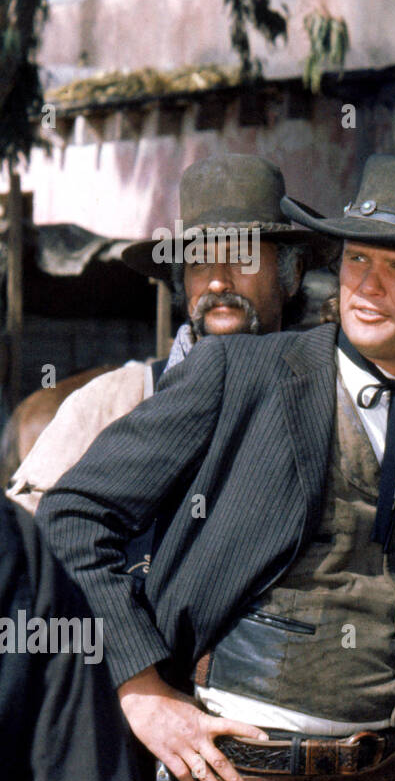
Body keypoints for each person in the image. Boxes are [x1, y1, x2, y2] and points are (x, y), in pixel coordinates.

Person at [38, 155, 395, 781]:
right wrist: (141, 690)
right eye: (358, 260)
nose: (366, 286)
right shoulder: (240, 373)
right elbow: (72, 516)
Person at [7, 153, 332, 515]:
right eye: (199, 262)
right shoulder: (112, 403)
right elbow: (27, 538)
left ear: (292, 274)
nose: (218, 281)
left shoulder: (328, 402)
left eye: (242, 258)